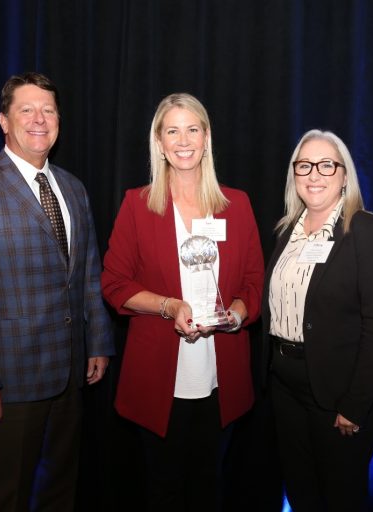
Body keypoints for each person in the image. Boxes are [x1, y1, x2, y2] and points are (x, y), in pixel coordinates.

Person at [0, 72, 114, 511]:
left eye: (49, 110)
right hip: (6, 384)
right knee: (3, 497)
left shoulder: (73, 188)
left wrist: (98, 342)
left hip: (69, 378)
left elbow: (87, 272)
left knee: (58, 491)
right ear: (3, 120)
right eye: (26, 110)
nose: (40, 119)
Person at [101, 93, 264, 511]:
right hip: (158, 377)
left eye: (193, 129)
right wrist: (169, 305)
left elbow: (252, 284)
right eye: (172, 130)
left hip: (220, 373)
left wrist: (235, 316)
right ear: (158, 142)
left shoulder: (236, 205)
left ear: (206, 138)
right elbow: (114, 283)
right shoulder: (137, 206)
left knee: (209, 488)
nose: (183, 139)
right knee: (164, 489)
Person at [262, 129, 373, 511]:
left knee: (341, 497)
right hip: (285, 387)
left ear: (344, 174)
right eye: (304, 165)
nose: (314, 174)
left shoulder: (366, 230)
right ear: (294, 174)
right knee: (301, 494)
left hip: (340, 393)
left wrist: (356, 404)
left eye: (326, 165)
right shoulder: (286, 231)